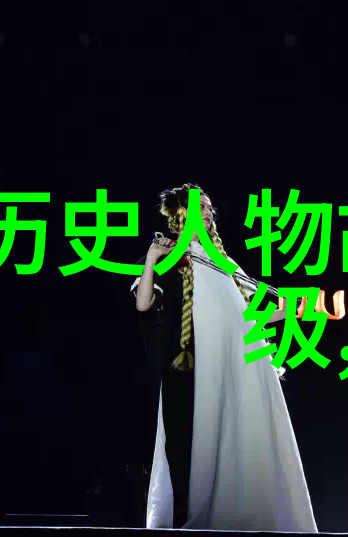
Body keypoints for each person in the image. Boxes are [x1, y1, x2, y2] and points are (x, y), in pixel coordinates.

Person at [130, 183, 318, 532]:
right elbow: (143, 304)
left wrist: (290, 311)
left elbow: (249, 316)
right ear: (181, 213)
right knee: (203, 433)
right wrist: (153, 258)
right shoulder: (171, 256)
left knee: (246, 431)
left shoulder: (224, 263)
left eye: (208, 207)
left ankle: (251, 513)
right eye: (198, 206)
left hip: (243, 358)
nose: (206, 212)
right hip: (201, 362)